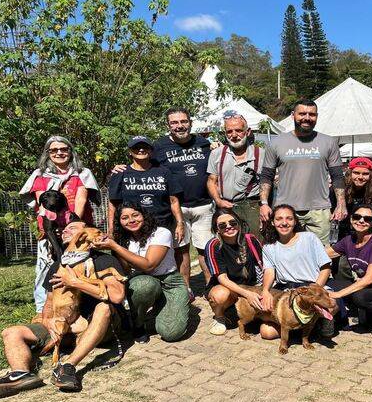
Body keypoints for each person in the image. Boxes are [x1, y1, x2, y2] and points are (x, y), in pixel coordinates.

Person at [0, 220, 125, 398]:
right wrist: (48, 321)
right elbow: (49, 301)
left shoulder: (103, 260)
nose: (64, 231)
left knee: (104, 308)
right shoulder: (58, 265)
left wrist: (75, 282)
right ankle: (20, 374)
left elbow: (116, 296)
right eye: (63, 229)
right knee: (11, 332)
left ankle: (68, 366)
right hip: (64, 324)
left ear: (84, 234)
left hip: (95, 325)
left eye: (72, 228)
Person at [20, 136, 99, 313]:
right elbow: (44, 204)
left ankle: (86, 308)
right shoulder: (40, 176)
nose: (59, 153)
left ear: (71, 152)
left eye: (64, 149)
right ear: (48, 153)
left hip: (76, 229)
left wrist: (72, 229)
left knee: (83, 266)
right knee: (46, 270)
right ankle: (43, 311)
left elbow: (81, 200)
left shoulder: (82, 173)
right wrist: (53, 231)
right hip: (49, 231)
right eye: (54, 150)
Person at [91, 202, 189, 343]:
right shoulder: (121, 240)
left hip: (170, 282)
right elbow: (125, 271)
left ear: (144, 215)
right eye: (125, 218)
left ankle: (163, 308)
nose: (131, 220)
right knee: (143, 285)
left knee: (171, 333)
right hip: (143, 281)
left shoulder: (161, 232)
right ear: (119, 221)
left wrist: (115, 246)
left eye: (135, 215)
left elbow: (149, 265)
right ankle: (138, 324)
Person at [260, 99, 347, 245]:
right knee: (287, 253)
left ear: (317, 116)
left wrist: (341, 203)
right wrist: (263, 203)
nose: (307, 117)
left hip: (320, 210)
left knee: (321, 255)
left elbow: (337, 176)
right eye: (302, 114)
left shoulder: (329, 142)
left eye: (311, 114)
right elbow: (266, 176)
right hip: (286, 210)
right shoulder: (276, 143)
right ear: (293, 115)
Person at [152, 108, 215, 288]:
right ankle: (185, 290)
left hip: (203, 205)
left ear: (190, 122)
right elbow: (142, 164)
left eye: (183, 122)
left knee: (206, 249)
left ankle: (212, 287)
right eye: (174, 123)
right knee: (181, 250)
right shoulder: (159, 147)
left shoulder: (203, 142)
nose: (180, 126)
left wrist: (217, 145)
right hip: (176, 208)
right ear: (168, 125)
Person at [260, 204, 333, 339]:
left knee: (332, 304)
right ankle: (297, 326)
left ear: (295, 221)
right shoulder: (268, 247)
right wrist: (265, 291)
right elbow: (269, 272)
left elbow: (326, 267)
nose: (284, 223)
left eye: (289, 218)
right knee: (266, 332)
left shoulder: (309, 238)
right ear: (272, 222)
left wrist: (315, 288)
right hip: (286, 289)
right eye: (279, 219)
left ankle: (316, 323)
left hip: (313, 285)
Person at [326, 205, 372, 336]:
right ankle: (363, 315)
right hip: (366, 287)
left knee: (358, 296)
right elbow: (325, 254)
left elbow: (370, 279)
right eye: (357, 217)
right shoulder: (349, 240)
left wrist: (339, 294)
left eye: (367, 219)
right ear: (351, 219)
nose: (361, 221)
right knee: (329, 284)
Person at [107, 136, 185, 262]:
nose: (141, 150)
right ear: (130, 151)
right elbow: (113, 204)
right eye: (136, 147)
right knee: (130, 261)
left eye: (145, 147)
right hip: (131, 227)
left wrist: (180, 223)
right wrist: (111, 229)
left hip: (161, 226)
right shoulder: (121, 173)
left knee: (166, 261)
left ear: (151, 150)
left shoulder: (163, 171)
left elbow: (174, 200)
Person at [204, 208, 264, 336]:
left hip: (252, 286)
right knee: (220, 295)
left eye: (233, 223)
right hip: (229, 288)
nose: (229, 227)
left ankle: (241, 311)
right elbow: (222, 279)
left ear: (239, 223)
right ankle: (220, 317)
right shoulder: (213, 245)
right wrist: (247, 294)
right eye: (222, 225)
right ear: (216, 229)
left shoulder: (251, 239)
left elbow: (263, 267)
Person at [206, 113, 263, 238]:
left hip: (252, 207)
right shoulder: (216, 154)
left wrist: (264, 206)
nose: (234, 135)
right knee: (228, 245)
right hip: (226, 207)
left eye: (238, 130)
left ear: (247, 132)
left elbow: (266, 183)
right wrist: (218, 201)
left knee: (254, 243)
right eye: (229, 131)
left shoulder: (261, 154)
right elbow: (211, 181)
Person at [332, 157, 372, 240]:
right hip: (346, 233)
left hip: (369, 233)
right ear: (350, 173)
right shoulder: (340, 189)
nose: (360, 177)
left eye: (365, 174)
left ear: (371, 175)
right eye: (356, 173)